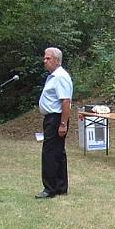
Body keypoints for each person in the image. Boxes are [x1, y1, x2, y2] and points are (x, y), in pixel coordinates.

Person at [36, 47, 73, 198]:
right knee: (57, 152)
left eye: (48, 58)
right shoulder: (54, 76)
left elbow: (66, 101)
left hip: (56, 118)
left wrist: (63, 123)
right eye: (44, 58)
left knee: (50, 153)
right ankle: (60, 186)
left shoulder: (60, 77)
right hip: (53, 118)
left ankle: (49, 189)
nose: (44, 61)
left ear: (57, 60)